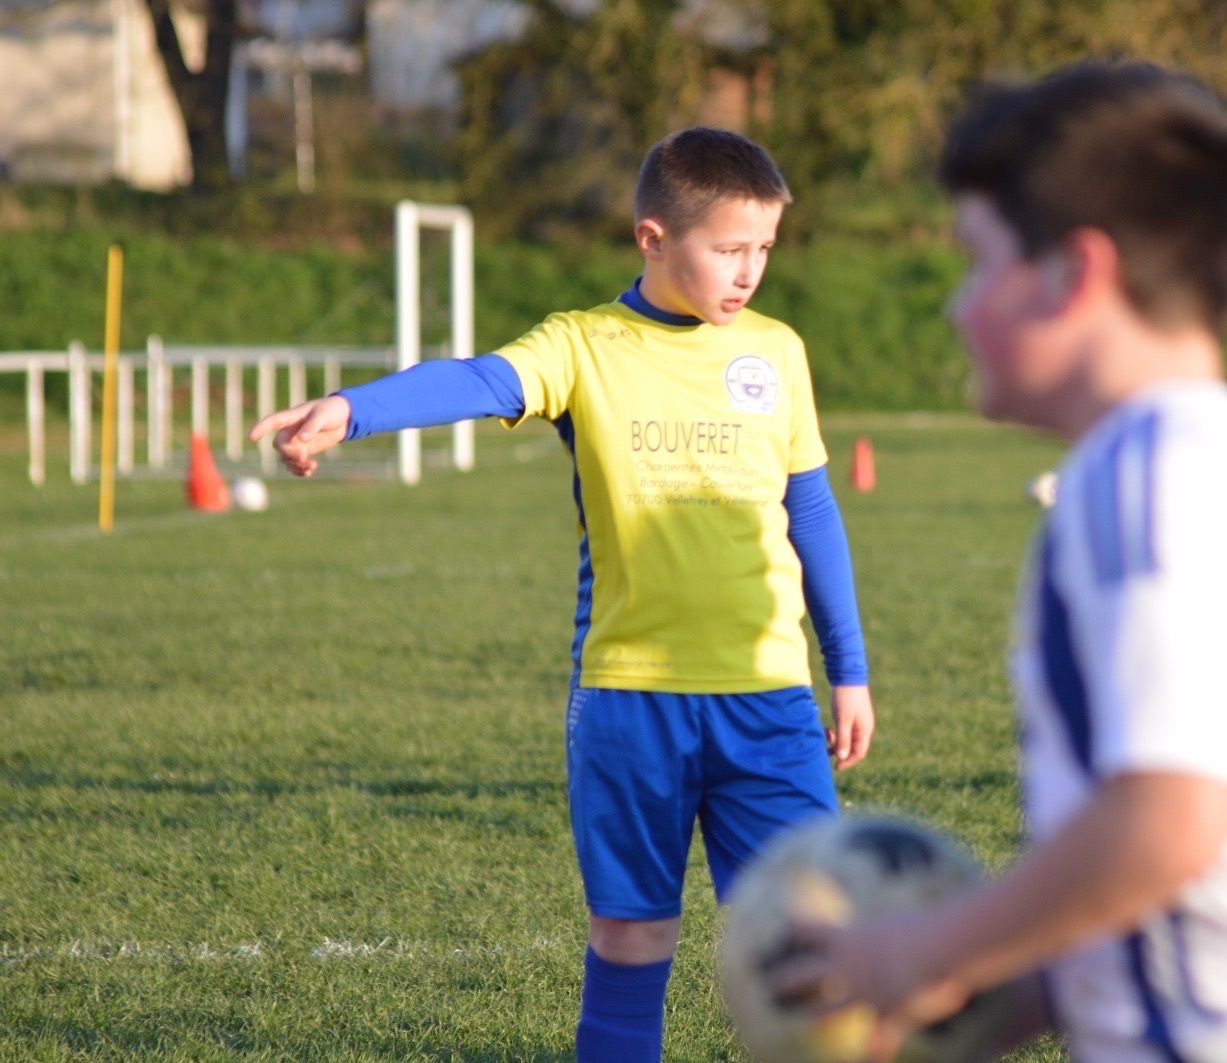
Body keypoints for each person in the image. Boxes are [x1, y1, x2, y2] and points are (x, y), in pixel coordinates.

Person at [770, 61, 1227, 1063]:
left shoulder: (1149, 479)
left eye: (979, 262)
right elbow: (1154, 886)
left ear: (1074, 275)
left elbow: (1166, 824)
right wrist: (972, 1006)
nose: (958, 307)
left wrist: (924, 950)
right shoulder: (1159, 464)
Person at [248, 127, 876, 1063]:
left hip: (771, 699)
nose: (750, 271)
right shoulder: (583, 346)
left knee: (814, 944)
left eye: (764, 248)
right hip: (630, 700)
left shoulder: (777, 352)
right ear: (653, 237)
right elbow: (478, 379)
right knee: (632, 936)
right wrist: (352, 408)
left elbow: (811, 511)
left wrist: (849, 670)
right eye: (728, 248)